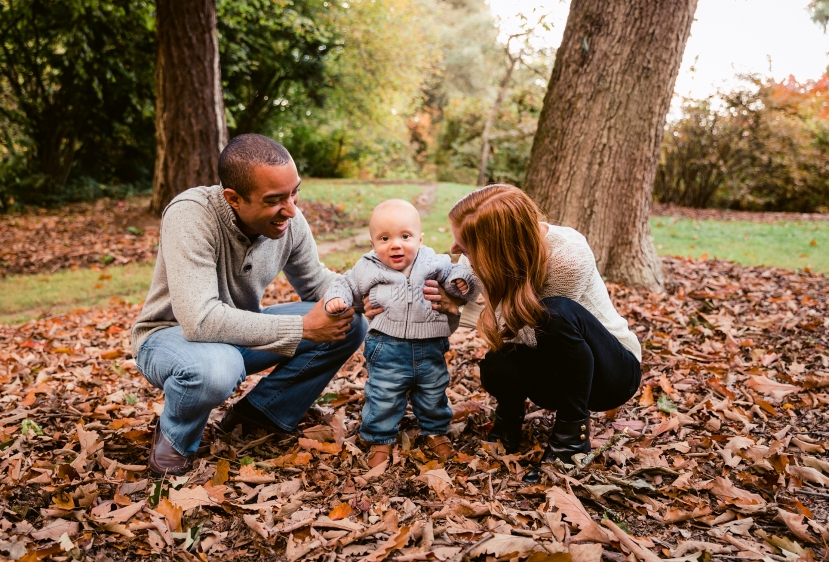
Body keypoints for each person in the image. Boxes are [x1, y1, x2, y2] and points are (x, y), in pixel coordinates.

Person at [131, 134, 367, 476]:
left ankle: (260, 414)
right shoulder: (191, 216)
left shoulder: (290, 221)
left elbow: (317, 282)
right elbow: (199, 321)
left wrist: (380, 290)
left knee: (347, 320)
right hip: (171, 337)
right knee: (217, 367)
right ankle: (175, 438)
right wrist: (302, 328)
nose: (291, 209)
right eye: (275, 200)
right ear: (234, 199)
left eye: (294, 192)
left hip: (239, 333)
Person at [421, 184, 642, 483]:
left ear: (497, 247)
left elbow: (528, 329)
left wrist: (461, 311)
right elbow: (459, 278)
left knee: (554, 313)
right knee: (496, 366)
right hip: (557, 373)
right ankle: (509, 421)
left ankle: (571, 441)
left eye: (466, 246)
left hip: (609, 375)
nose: (455, 250)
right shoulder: (491, 254)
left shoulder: (567, 258)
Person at [324, 200, 478, 467]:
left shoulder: (432, 261)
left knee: (433, 392)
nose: (395, 244)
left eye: (405, 236)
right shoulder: (369, 267)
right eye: (384, 238)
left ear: (420, 239)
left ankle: (436, 431)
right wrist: (338, 298)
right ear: (373, 244)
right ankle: (379, 439)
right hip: (387, 345)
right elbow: (344, 282)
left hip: (430, 345)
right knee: (383, 394)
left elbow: (460, 271)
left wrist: (460, 282)